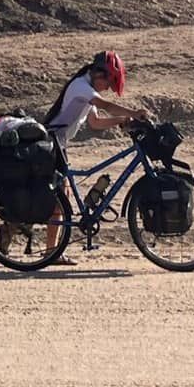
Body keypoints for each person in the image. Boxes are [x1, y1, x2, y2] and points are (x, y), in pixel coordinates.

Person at [39, 49, 142, 253]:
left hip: (59, 143)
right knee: (60, 200)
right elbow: (105, 106)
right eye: (108, 83)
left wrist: (122, 121)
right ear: (98, 74)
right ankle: (49, 251)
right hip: (53, 142)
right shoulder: (81, 87)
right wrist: (134, 113)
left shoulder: (86, 88)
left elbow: (95, 122)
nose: (106, 88)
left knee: (62, 196)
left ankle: (33, 240)